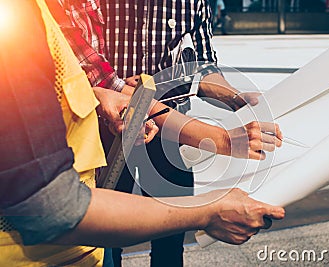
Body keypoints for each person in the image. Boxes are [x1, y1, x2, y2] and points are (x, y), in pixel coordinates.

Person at [0, 1, 285, 266]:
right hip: (110, 140)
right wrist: (208, 204)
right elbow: (55, 207)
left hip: (160, 134)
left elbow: (198, 64)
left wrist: (231, 95)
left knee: (168, 239)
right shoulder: (24, 17)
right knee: (115, 232)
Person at [99, 1, 265, 266]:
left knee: (172, 233)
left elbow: (204, 66)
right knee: (106, 230)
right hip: (110, 125)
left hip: (171, 130)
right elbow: (92, 68)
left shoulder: (193, 3)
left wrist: (232, 95)